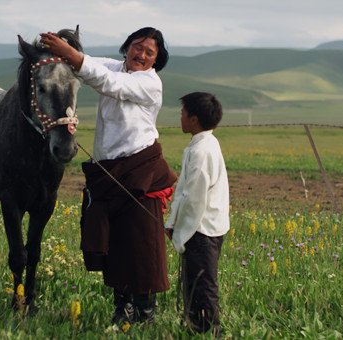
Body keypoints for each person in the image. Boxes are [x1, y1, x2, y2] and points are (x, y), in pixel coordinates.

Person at [40, 27, 177, 325]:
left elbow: (107, 82)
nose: (141, 54)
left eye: (149, 52)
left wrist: (68, 52)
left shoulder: (150, 83)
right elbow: (89, 67)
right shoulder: (117, 66)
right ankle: (122, 308)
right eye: (137, 46)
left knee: (142, 243)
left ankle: (145, 311)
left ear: (156, 60)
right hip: (109, 170)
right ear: (127, 47)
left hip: (140, 168)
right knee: (113, 240)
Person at [164, 92, 230, 335]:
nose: (179, 117)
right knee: (196, 281)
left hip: (200, 230)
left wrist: (179, 232)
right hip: (205, 227)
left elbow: (193, 198)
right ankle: (196, 326)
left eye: (182, 113)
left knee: (203, 284)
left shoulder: (201, 152)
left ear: (193, 119)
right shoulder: (205, 144)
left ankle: (209, 330)